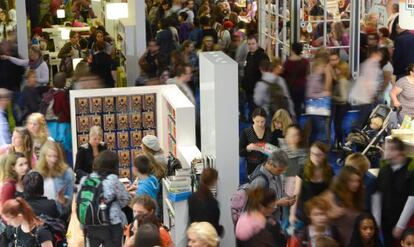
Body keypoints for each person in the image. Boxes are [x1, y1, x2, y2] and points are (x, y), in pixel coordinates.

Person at [79, 150, 130, 247]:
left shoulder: (85, 180)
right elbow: (125, 200)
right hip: (111, 224)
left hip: (90, 224)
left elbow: (81, 201)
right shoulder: (113, 180)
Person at [372, 138, 414, 246]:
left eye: (391, 149)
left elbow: (412, 198)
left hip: (405, 222)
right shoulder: (384, 170)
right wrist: (376, 222)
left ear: (400, 152)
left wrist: (400, 225)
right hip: (386, 221)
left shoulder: (410, 171)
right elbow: (377, 196)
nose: (387, 152)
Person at [289, 141, 334, 230]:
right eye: (312, 154)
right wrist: (292, 214)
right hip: (305, 210)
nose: (315, 157)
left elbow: (331, 193)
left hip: (320, 211)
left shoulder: (329, 171)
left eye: (319, 155)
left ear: (324, 156)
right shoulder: (303, 169)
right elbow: (296, 193)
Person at [321, 166, 364, 246]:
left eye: (358, 181)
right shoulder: (333, 197)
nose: (356, 184)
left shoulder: (358, 198)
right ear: (344, 181)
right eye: (351, 181)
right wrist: (329, 215)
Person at [36, 141, 74, 217]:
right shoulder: (37, 172)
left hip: (60, 213)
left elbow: (70, 197)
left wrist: (63, 200)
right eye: (49, 156)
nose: (53, 160)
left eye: (55, 156)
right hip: (42, 213)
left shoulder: (67, 172)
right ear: (44, 156)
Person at [349, 48, 383, 128]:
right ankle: (356, 133)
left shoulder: (369, 64)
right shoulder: (371, 65)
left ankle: (357, 132)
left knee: (364, 116)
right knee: (364, 118)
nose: (380, 56)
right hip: (366, 97)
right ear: (374, 54)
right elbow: (368, 81)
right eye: (379, 54)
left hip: (365, 96)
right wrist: (371, 95)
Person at [240, 107, 276, 175]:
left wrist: (270, 150)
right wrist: (248, 148)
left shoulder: (269, 131)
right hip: (252, 167)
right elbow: (241, 152)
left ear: (266, 120)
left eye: (262, 121)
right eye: (257, 121)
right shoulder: (246, 132)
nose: (260, 124)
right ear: (253, 119)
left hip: (267, 167)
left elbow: (274, 149)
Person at [188, 168, 223, 236]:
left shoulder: (191, 198)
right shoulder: (213, 203)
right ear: (213, 181)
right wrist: (221, 229)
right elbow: (214, 228)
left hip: (195, 236)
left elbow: (191, 220)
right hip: (207, 239)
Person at [242, 35, 269, 113]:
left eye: (253, 44)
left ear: (257, 44)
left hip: (257, 90)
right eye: (249, 44)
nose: (251, 46)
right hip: (249, 89)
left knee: (257, 111)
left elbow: (265, 74)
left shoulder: (262, 56)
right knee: (251, 109)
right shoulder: (249, 55)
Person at [283, 42, 310, 119]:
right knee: (298, 106)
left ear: (292, 50)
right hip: (302, 87)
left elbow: (284, 75)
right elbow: (308, 74)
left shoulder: (287, 63)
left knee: (290, 106)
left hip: (291, 87)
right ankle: (297, 121)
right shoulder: (305, 62)